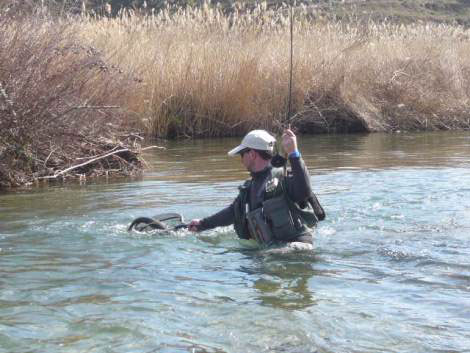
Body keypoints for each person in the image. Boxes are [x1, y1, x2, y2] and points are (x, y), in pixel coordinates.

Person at [188, 129, 322, 245]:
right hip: (271, 252)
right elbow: (232, 212)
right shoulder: (249, 188)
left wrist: (294, 153)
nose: (241, 159)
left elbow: (304, 191)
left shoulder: (284, 177)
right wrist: (202, 224)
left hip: (296, 248)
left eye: (242, 154)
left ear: (252, 154)